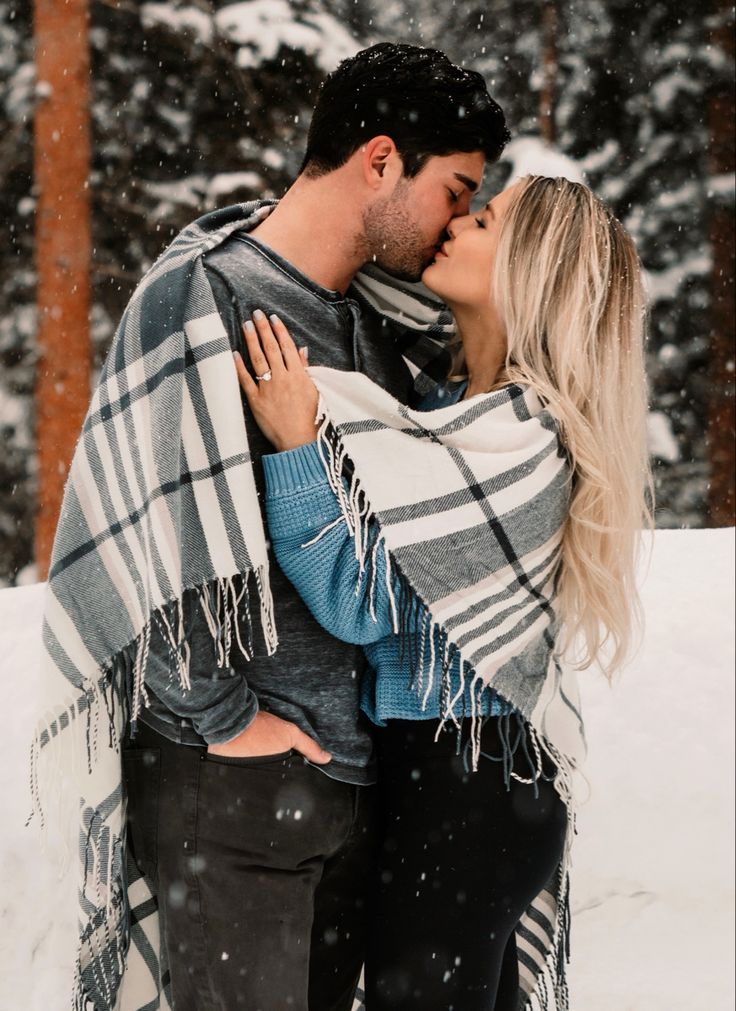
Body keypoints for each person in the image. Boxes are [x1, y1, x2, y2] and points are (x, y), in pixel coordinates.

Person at [112, 43, 509, 1011]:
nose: (456, 220)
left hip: (343, 783)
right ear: (381, 160)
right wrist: (227, 719)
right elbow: (152, 533)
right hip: (239, 788)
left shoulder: (367, 323)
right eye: (454, 189)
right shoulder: (207, 296)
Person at [234, 175, 652, 1010]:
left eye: (486, 218)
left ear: (530, 271)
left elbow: (360, 599)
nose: (459, 221)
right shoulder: (443, 406)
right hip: (456, 785)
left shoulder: (521, 439)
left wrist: (292, 444)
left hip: (471, 791)